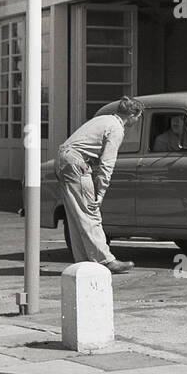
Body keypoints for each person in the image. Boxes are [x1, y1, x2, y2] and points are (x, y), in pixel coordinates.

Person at [55, 96, 144, 273]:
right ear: (133, 115)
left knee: (76, 215)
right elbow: (107, 163)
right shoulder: (117, 128)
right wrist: (100, 192)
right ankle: (106, 260)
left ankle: (82, 261)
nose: (137, 121)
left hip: (64, 159)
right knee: (90, 212)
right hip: (76, 162)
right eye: (138, 117)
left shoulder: (103, 119)